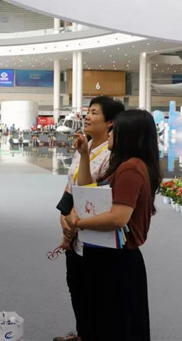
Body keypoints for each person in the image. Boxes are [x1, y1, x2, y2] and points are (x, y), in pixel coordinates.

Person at [63, 109, 162, 341]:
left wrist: (77, 222)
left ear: (128, 134)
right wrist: (85, 155)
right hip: (110, 257)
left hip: (117, 260)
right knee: (105, 320)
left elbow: (118, 217)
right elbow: (88, 190)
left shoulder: (131, 168)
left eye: (113, 130)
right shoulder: (123, 165)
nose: (109, 134)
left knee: (114, 324)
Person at [54, 96, 124, 341]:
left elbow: (97, 195)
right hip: (73, 227)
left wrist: (74, 223)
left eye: (95, 112)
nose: (87, 117)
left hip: (93, 232)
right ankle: (82, 333)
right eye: (88, 111)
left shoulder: (113, 155)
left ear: (110, 122)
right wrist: (64, 219)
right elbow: (71, 184)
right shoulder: (85, 144)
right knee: (76, 286)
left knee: (95, 292)